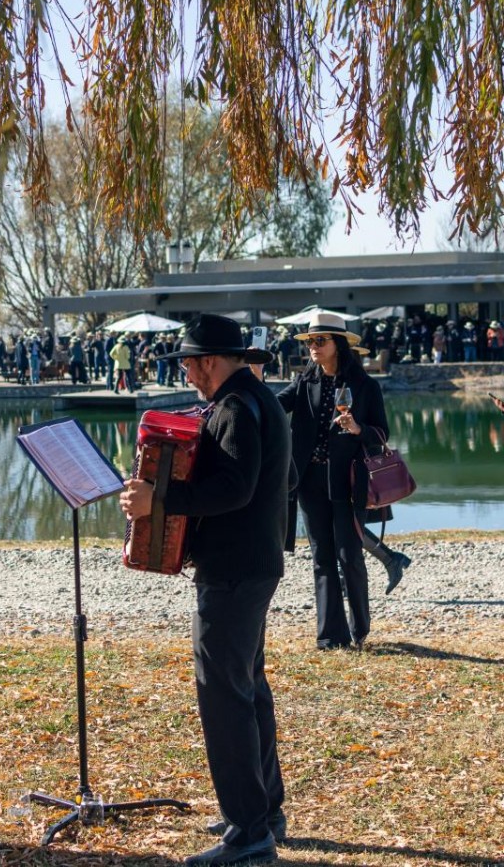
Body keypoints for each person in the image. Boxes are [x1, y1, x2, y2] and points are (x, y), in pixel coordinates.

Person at [119, 314, 289, 866]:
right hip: (252, 563)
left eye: (189, 364)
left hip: (236, 570)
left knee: (224, 696)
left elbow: (235, 489)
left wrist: (159, 503)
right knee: (248, 687)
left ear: (211, 361)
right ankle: (264, 811)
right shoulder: (256, 398)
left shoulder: (238, 407)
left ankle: (248, 833)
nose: (188, 375)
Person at [278, 313, 410, 651]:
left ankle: (359, 630)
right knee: (321, 556)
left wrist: (358, 430)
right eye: (309, 342)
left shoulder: (366, 386)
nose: (312, 347)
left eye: (320, 341)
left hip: (350, 482)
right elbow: (276, 406)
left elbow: (382, 434)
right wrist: (254, 378)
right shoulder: (305, 381)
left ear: (339, 345)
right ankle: (329, 636)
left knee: (349, 554)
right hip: (309, 480)